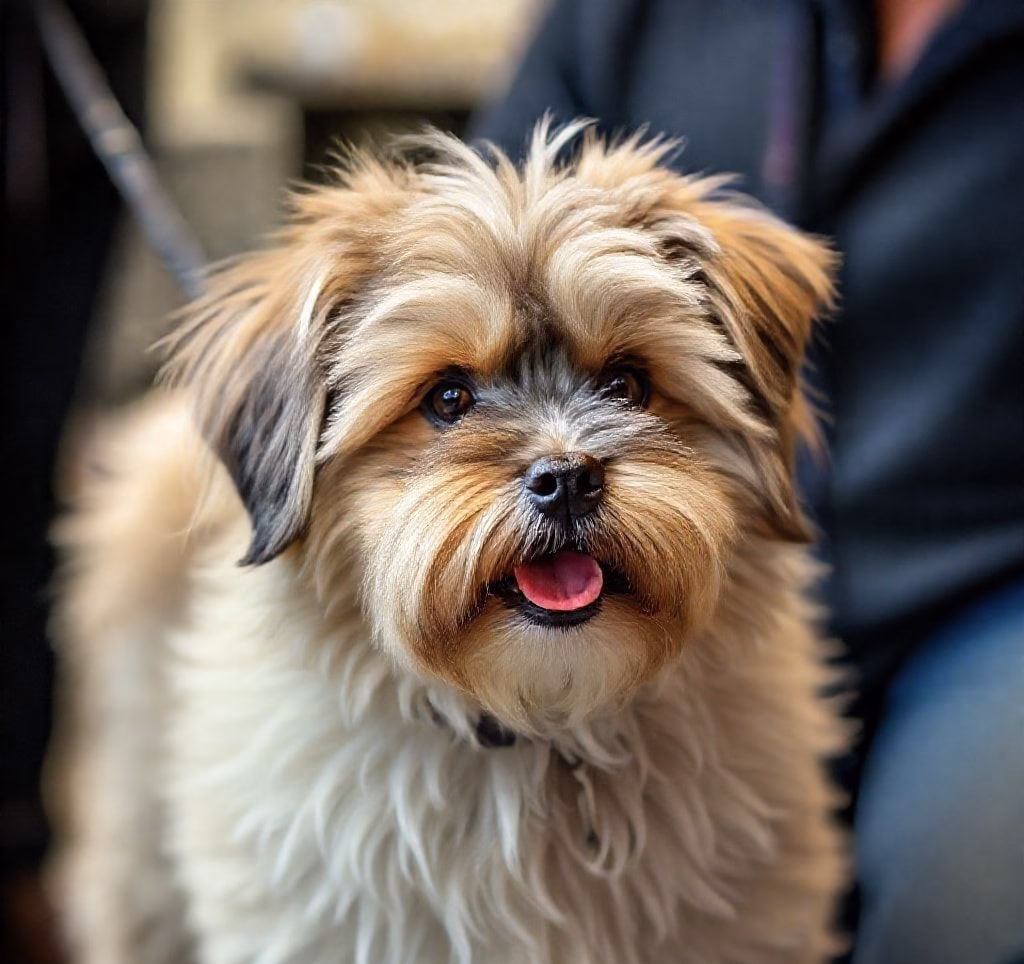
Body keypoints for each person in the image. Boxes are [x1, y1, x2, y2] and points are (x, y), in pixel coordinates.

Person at [471, 1, 1024, 962]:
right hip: (706, 596)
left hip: (982, 593)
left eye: (625, 381)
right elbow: (475, 244)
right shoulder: (628, 19)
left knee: (964, 919)